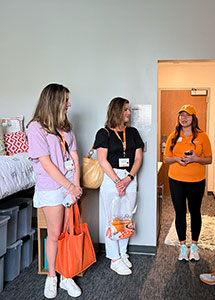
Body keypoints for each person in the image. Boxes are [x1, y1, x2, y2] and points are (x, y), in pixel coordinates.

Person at [27, 84, 82, 298]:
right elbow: (47, 164)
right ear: (54, 102)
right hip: (51, 186)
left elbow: (75, 157)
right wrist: (69, 186)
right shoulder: (36, 128)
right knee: (54, 233)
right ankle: (52, 277)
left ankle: (66, 277)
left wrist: (76, 186)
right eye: (66, 100)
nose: (69, 104)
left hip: (70, 185)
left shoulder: (65, 126)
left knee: (69, 232)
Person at [94, 97, 144, 275]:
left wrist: (128, 178)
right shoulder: (104, 133)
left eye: (129, 109)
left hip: (130, 177)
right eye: (125, 110)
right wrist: (117, 181)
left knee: (126, 217)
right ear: (116, 111)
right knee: (112, 218)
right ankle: (114, 258)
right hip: (111, 178)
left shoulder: (133, 133)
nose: (129, 113)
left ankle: (123, 253)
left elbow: (138, 158)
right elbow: (101, 160)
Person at [163, 104, 212, 261]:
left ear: (193, 118)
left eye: (188, 115)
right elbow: (165, 159)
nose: (184, 118)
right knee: (180, 212)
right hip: (176, 180)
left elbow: (209, 159)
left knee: (195, 211)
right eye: (181, 115)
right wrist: (177, 159)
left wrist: (196, 159)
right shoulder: (173, 136)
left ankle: (195, 246)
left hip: (196, 181)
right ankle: (183, 247)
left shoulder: (202, 136)